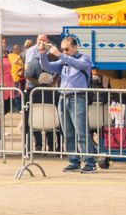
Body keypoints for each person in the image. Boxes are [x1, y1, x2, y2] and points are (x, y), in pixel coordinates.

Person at [38, 36, 98, 173]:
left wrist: (60, 55)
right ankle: (73, 161)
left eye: (67, 49)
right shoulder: (63, 61)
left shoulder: (84, 58)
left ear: (75, 47)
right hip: (63, 98)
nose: (64, 52)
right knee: (67, 132)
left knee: (81, 131)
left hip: (78, 97)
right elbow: (48, 67)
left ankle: (90, 162)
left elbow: (79, 65)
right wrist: (43, 54)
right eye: (62, 49)